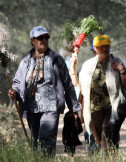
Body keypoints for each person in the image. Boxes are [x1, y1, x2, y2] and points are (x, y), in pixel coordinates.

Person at [8, 26, 81, 156]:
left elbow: (68, 85)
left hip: (51, 108)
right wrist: (14, 92)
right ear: (32, 41)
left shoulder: (56, 59)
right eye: (40, 38)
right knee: (36, 144)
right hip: (31, 109)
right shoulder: (25, 61)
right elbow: (18, 82)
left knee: (46, 140)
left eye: (46, 37)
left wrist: (74, 109)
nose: (44, 40)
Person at [79, 35, 126, 151]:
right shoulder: (87, 65)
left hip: (113, 107)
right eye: (101, 47)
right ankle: (100, 156)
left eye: (106, 46)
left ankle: (110, 156)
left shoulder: (117, 62)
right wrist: (80, 112)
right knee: (98, 140)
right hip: (94, 109)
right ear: (95, 49)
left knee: (109, 136)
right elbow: (83, 90)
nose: (104, 49)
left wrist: (121, 70)